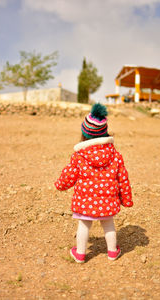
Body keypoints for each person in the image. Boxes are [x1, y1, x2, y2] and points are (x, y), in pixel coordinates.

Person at [54, 103, 133, 263]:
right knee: (108, 224)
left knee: (84, 225)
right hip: (108, 202)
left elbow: (68, 175)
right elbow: (123, 179)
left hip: (85, 202)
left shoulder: (79, 156)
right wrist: (126, 199)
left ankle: (80, 254)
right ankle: (112, 252)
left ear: (84, 134)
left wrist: (59, 185)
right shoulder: (115, 155)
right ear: (105, 133)